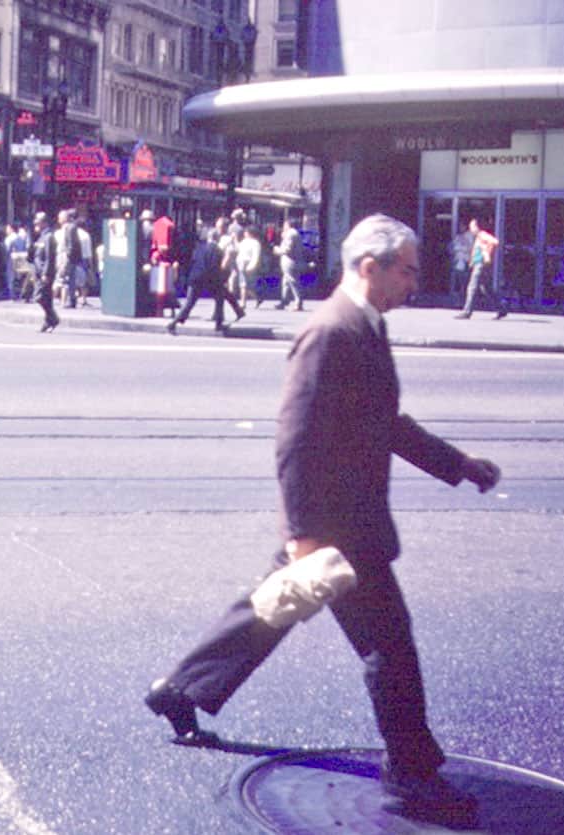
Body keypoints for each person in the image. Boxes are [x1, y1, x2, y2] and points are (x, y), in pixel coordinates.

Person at [144, 214, 502, 822]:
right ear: (372, 267)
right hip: (337, 525)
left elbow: (385, 423)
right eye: (409, 269)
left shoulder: (365, 326)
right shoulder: (332, 332)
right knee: (390, 648)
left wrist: (458, 464)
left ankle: (180, 690)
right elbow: (294, 440)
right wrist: (302, 534)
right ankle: (414, 773)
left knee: (268, 610)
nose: (416, 281)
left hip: (343, 519)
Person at [168, 222, 245, 335]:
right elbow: (220, 267)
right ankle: (219, 323)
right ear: (217, 238)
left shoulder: (199, 248)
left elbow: (193, 261)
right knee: (219, 299)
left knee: (189, 303)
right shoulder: (218, 251)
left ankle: (173, 323)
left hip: (195, 277)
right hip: (210, 278)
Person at [456, 218, 506, 320]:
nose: (471, 228)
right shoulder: (478, 237)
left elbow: (495, 242)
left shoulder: (482, 235)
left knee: (472, 287)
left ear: (477, 227)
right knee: (486, 288)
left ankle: (467, 311)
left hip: (481, 264)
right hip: (479, 264)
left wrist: (486, 250)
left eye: (472, 226)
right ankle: (501, 309)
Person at [30, 212, 60, 333]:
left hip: (44, 273)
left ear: (45, 223)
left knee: (39, 297)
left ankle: (53, 317)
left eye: (38, 222)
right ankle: (48, 321)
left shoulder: (49, 237)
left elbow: (49, 257)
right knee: (46, 298)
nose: (36, 224)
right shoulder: (41, 236)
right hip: (38, 271)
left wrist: (46, 273)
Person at [274, 219, 305, 311]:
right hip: (292, 259)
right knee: (286, 282)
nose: (283, 226)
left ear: (288, 225)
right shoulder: (294, 233)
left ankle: (298, 302)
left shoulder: (291, 234)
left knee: (292, 281)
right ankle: (284, 301)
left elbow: (288, 249)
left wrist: (277, 250)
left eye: (284, 224)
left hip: (290, 260)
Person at [235, 225, 264, 308]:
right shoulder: (244, 241)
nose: (244, 233)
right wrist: (235, 240)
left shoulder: (255, 243)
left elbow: (256, 255)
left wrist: (252, 265)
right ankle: (255, 298)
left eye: (246, 232)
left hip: (248, 263)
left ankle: (244, 302)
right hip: (241, 263)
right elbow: (238, 248)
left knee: (246, 284)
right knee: (243, 284)